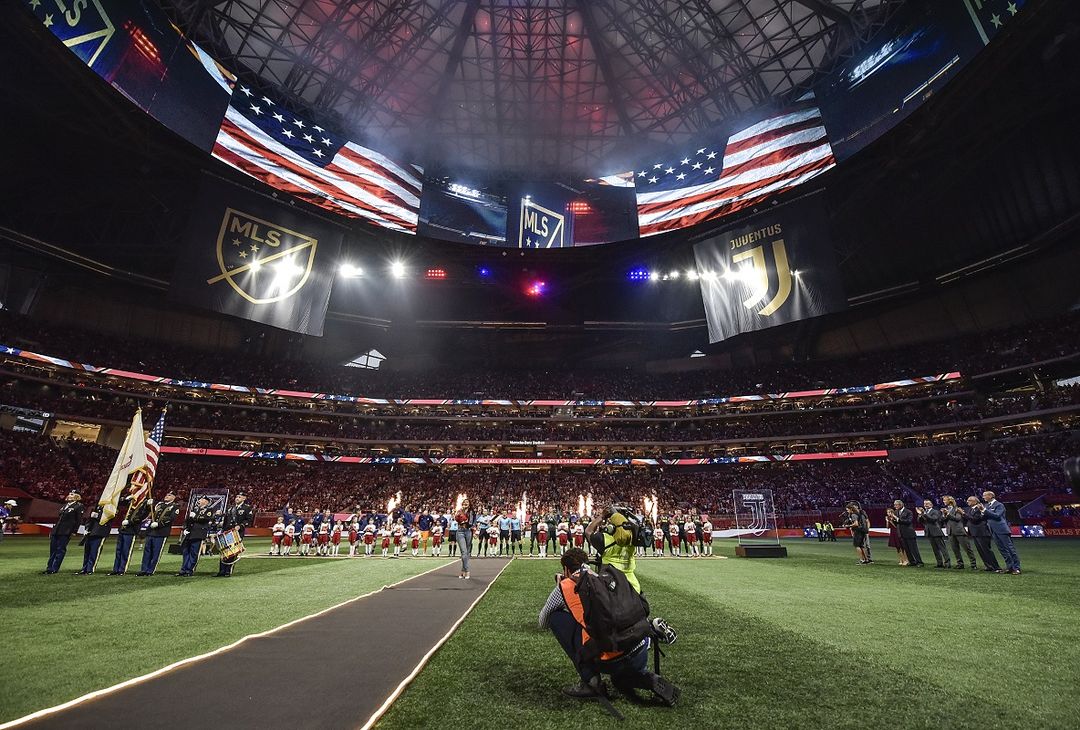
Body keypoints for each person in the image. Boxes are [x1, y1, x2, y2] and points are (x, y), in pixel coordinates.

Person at [538, 548, 679, 706]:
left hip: (609, 659)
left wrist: (563, 594)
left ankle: (591, 683)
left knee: (556, 618)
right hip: (639, 650)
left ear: (566, 569)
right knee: (619, 681)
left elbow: (542, 621)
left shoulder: (566, 586)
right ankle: (648, 677)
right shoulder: (607, 577)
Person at [586, 505, 642, 593]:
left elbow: (588, 531)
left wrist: (602, 516)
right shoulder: (632, 538)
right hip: (632, 584)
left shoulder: (604, 539)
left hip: (611, 583)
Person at [110, 487, 150, 575]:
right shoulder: (130, 501)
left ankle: (122, 569)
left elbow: (142, 516)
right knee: (119, 550)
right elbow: (118, 504)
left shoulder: (143, 503)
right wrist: (125, 499)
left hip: (131, 529)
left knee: (125, 551)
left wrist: (130, 522)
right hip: (123, 529)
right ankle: (115, 569)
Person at [138, 491, 180, 575]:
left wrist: (159, 524)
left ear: (173, 498)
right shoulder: (160, 505)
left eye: (169, 495)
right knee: (147, 552)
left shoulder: (175, 507)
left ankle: (150, 570)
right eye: (166, 494)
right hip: (151, 531)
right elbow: (152, 514)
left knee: (156, 552)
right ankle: (143, 570)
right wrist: (148, 505)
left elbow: (171, 518)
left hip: (161, 532)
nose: (166, 496)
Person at [979, 491, 1020, 574]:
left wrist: (984, 510)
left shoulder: (999, 505)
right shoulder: (987, 506)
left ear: (991, 496)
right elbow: (984, 517)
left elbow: (997, 516)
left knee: (1009, 548)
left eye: (985, 495)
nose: (983, 497)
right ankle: (1009, 567)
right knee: (1002, 550)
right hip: (993, 530)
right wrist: (982, 511)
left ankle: (1016, 568)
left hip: (1001, 529)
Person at [44, 491, 83, 574]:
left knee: (60, 549)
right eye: (69, 494)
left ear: (77, 496)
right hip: (57, 530)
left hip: (66, 531)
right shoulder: (65, 506)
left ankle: (54, 568)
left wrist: (74, 531)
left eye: (72, 494)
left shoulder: (78, 506)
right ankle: (49, 568)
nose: (69, 495)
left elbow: (78, 520)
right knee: (53, 549)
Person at [216, 492, 254, 577]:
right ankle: (221, 571)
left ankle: (228, 571)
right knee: (224, 551)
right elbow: (226, 519)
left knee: (232, 552)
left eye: (239, 497)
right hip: (227, 532)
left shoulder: (246, 508)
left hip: (236, 533)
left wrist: (240, 526)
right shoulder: (230, 508)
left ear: (244, 498)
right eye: (236, 496)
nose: (237, 498)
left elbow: (249, 520)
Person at [965, 496, 1002, 572]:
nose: (967, 501)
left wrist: (963, 514)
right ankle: (988, 566)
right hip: (975, 533)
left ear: (975, 501)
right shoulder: (970, 509)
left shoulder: (980, 508)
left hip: (982, 532)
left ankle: (996, 567)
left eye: (969, 500)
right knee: (981, 551)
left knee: (987, 550)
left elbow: (976, 519)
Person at [177, 497, 213, 577]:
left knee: (194, 553)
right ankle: (183, 570)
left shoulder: (209, 510)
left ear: (206, 502)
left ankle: (190, 570)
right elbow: (188, 520)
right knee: (186, 552)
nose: (199, 501)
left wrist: (195, 516)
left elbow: (205, 519)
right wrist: (186, 528)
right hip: (190, 533)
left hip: (198, 533)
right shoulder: (195, 509)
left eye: (202, 500)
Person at [942, 496, 977, 570]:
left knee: (967, 548)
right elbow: (942, 520)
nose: (943, 501)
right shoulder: (946, 510)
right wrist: (944, 515)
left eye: (945, 500)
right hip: (950, 532)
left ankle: (973, 564)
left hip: (959, 531)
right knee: (955, 549)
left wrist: (948, 514)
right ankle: (960, 564)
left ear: (950, 500)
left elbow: (958, 519)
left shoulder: (957, 509)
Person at [77, 503, 112, 575]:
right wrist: (86, 528)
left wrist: (97, 516)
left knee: (94, 552)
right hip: (91, 531)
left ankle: (90, 569)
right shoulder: (98, 506)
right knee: (87, 552)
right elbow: (90, 519)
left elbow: (109, 517)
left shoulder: (111, 507)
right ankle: (84, 569)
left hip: (100, 532)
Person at [894, 500, 924, 567]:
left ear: (901, 505)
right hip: (901, 533)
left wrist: (898, 519)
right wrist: (892, 520)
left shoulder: (908, 512)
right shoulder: (896, 512)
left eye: (896, 505)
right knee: (907, 549)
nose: (895, 506)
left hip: (909, 533)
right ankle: (912, 561)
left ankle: (919, 562)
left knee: (914, 549)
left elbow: (908, 521)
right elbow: (897, 523)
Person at [455, 499, 475, 578]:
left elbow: (472, 522)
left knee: (467, 552)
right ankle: (467, 571)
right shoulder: (459, 511)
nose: (465, 503)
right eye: (464, 502)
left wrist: (474, 530)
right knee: (463, 551)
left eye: (467, 502)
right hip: (460, 531)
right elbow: (457, 520)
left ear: (469, 504)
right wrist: (458, 515)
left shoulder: (471, 512)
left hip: (468, 531)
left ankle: (463, 570)